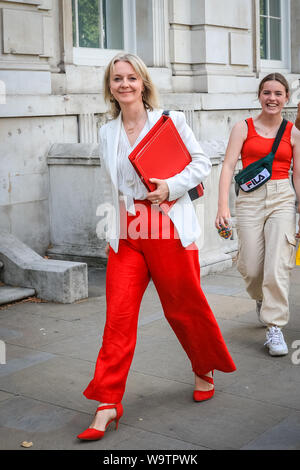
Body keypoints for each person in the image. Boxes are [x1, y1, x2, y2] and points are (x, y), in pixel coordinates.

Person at [77, 53, 236, 441]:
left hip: (166, 225)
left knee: (184, 307)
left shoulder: (171, 121)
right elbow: (114, 186)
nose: (125, 84)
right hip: (127, 233)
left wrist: (170, 186)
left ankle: (203, 366)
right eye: (118, 79)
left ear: (143, 83)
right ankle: (107, 402)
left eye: (132, 78)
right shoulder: (106, 132)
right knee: (118, 318)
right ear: (110, 87)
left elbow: (200, 164)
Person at [216, 72, 300, 357]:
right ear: (259, 96)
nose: (272, 98)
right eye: (267, 93)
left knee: (277, 265)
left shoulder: (293, 133)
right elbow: (228, 167)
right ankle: (261, 298)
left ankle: (274, 325)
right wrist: (223, 207)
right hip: (249, 199)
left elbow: (298, 177)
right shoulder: (243, 127)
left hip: (282, 198)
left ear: (286, 98)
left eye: (278, 93)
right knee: (252, 268)